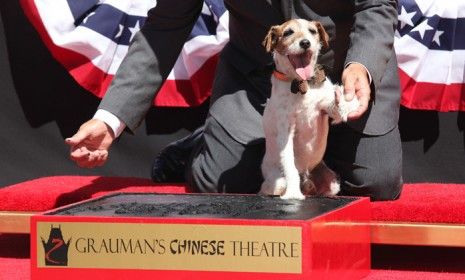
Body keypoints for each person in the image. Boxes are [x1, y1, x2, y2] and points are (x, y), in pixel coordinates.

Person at [66, 0, 403, 201]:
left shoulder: (355, 69)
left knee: (377, 183)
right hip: (261, 81)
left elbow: (377, 4)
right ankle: (203, 142)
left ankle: (314, 154)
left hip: (347, 76)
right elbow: (166, 24)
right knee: (219, 183)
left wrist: (362, 65)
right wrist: (110, 118)